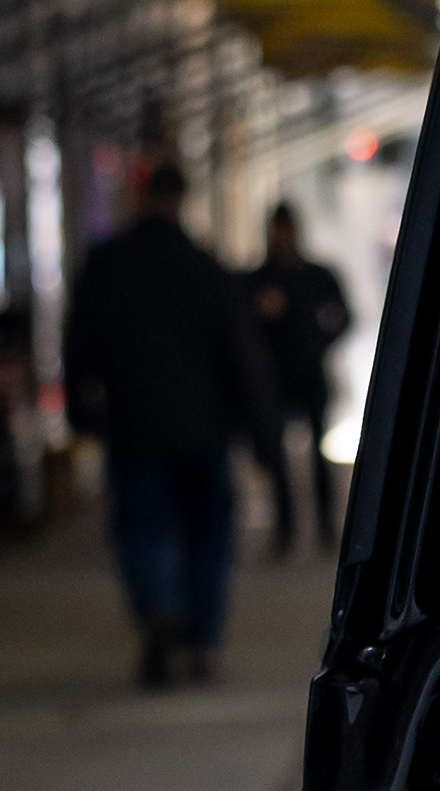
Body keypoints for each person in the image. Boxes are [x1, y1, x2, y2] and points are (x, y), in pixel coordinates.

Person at [63, 163, 276, 689]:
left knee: (142, 526)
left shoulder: (107, 265)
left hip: (133, 424)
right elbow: (243, 356)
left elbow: (78, 344)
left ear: (141, 197)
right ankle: (201, 636)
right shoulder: (207, 269)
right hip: (205, 428)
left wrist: (80, 411)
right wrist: (263, 434)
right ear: (183, 201)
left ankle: (158, 606)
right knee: (208, 533)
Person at [246, 202, 351, 559]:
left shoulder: (313, 275)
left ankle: (323, 525)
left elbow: (342, 316)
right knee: (279, 457)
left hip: (306, 373)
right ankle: (286, 528)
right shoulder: (263, 279)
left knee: (317, 455)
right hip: (277, 378)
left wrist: (318, 342)